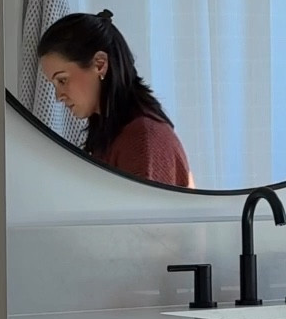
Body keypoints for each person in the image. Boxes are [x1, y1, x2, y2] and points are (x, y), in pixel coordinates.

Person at [38, 10, 193, 188]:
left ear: (100, 64)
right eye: (54, 84)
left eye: (62, 80)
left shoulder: (143, 138)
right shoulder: (110, 135)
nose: (58, 96)